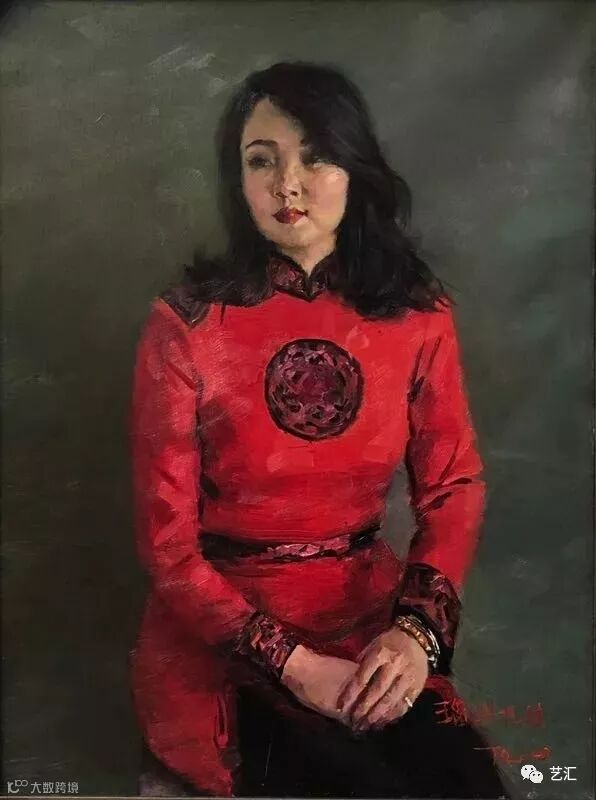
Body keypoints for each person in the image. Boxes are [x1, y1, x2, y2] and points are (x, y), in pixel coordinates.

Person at [129, 60, 512, 798]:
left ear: (354, 167)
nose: (288, 185)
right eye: (261, 161)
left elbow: (454, 486)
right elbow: (169, 549)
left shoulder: (417, 315)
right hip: (224, 642)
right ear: (237, 180)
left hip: (370, 625)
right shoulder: (186, 325)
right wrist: (295, 665)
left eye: (316, 157)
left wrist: (415, 636)